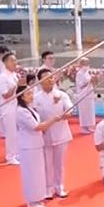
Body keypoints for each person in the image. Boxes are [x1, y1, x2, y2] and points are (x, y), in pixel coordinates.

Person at [33, 69, 75, 199]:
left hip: (61, 133)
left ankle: (59, 187)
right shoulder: (35, 97)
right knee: (47, 164)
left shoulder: (62, 95)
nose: (50, 80)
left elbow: (70, 109)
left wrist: (67, 114)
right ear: (40, 81)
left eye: (51, 77)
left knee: (59, 163)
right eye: (46, 77)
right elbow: (33, 115)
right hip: (44, 134)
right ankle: (47, 189)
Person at [14, 85, 52, 207]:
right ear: (22, 97)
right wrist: (52, 121)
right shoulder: (21, 111)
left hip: (36, 144)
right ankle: (32, 200)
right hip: (28, 146)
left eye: (31, 93)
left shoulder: (29, 108)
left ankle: (38, 197)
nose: (31, 96)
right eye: (28, 94)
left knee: (38, 172)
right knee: (31, 173)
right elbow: (36, 126)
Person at [0, 51, 22, 165]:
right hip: (8, 107)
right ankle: (10, 156)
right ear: (5, 62)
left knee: (18, 131)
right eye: (12, 60)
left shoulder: (14, 74)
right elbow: (5, 95)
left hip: (16, 105)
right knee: (11, 132)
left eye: (15, 60)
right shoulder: (3, 77)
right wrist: (16, 86)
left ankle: (17, 153)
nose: (15, 62)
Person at [75, 60, 98, 132]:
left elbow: (91, 82)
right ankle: (83, 128)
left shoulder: (87, 72)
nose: (87, 65)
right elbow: (80, 85)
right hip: (83, 95)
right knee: (84, 111)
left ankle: (89, 126)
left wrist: (93, 79)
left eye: (88, 63)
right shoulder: (79, 73)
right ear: (81, 64)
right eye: (85, 64)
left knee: (90, 111)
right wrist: (89, 80)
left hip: (89, 94)